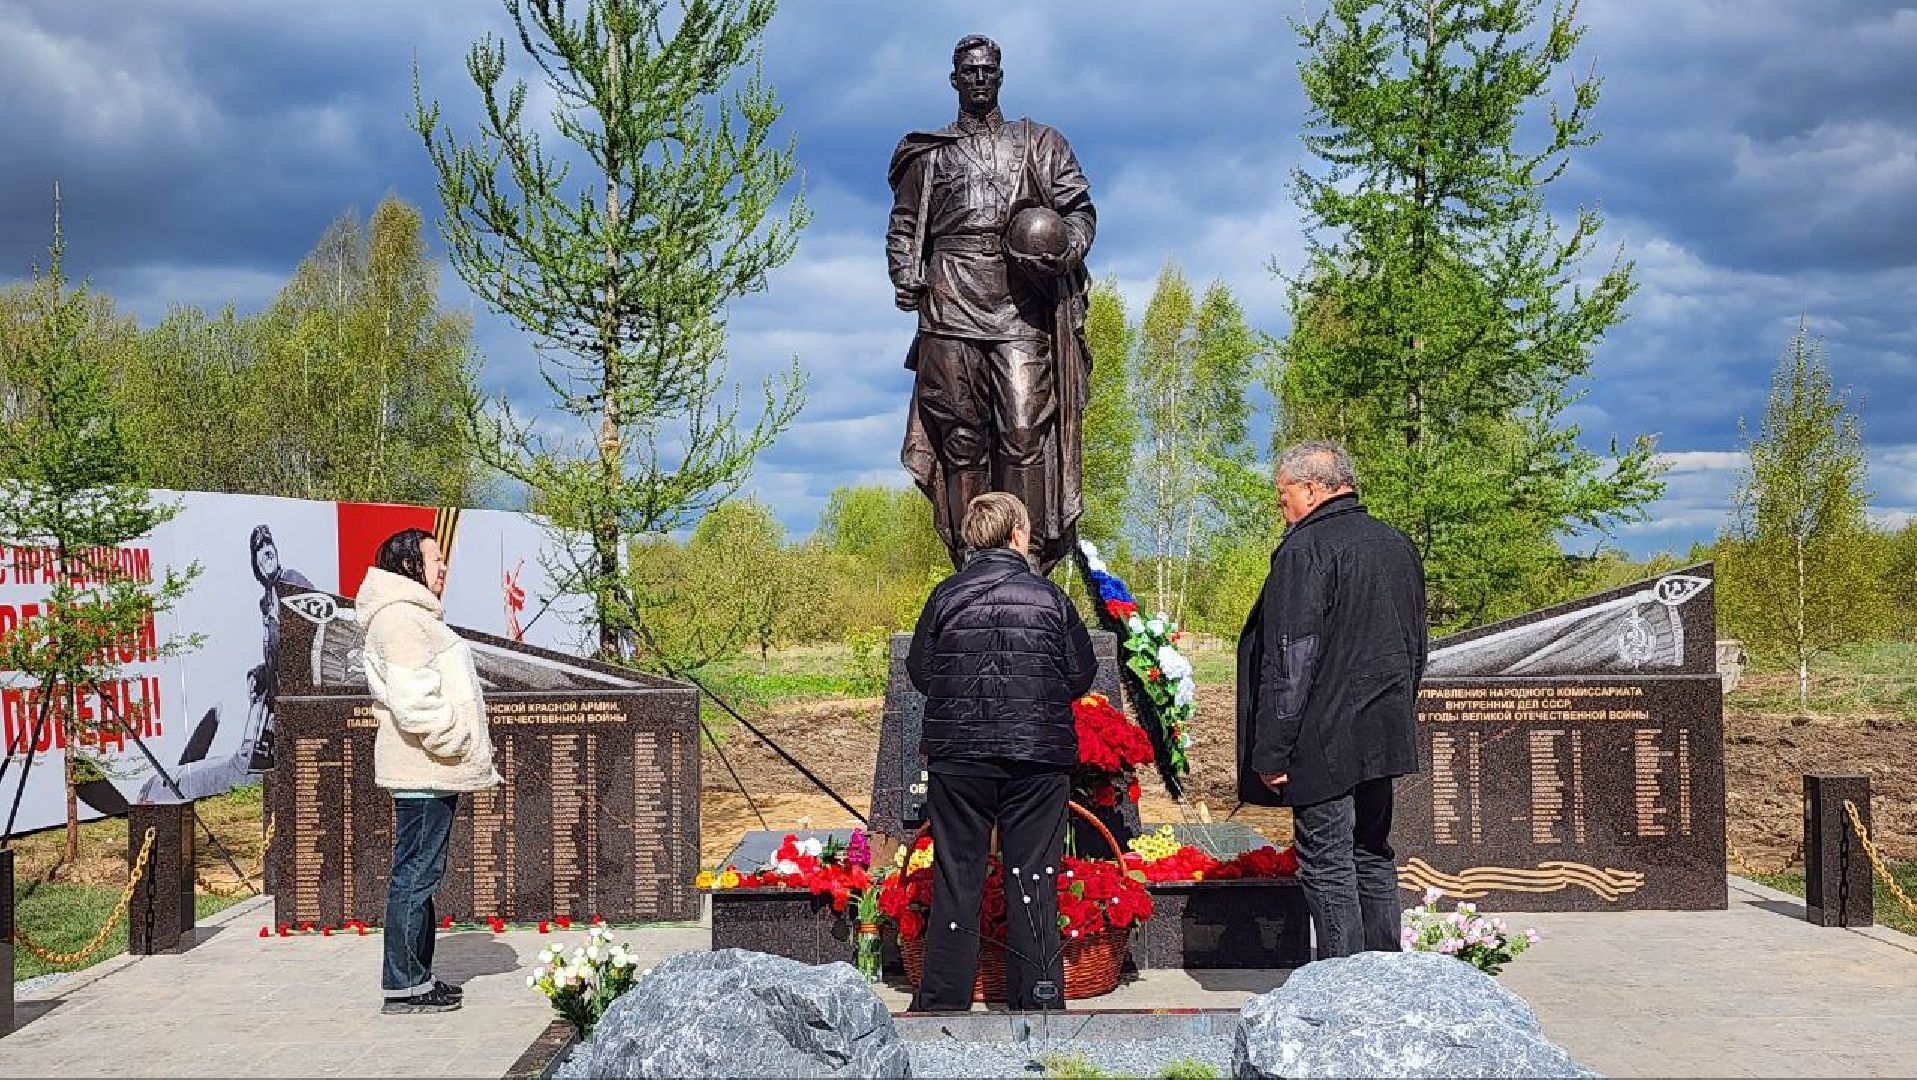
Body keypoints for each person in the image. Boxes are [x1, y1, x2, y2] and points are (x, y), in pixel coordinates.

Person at [888, 33, 1097, 575]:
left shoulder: (1041, 143)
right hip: (950, 300)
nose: (980, 79)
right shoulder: (929, 153)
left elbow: (1079, 210)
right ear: (955, 79)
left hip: (1020, 306)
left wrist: (1067, 250)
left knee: (1026, 429)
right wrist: (902, 275)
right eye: (970, 71)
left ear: (999, 77)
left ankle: (1025, 562)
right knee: (960, 438)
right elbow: (906, 226)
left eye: (989, 71)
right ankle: (973, 561)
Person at [1236, 441, 1427, 959]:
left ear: (1313, 489)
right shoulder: (1395, 543)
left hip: (1322, 736)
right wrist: (1399, 712)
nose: (1283, 508)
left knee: (1326, 860)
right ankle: (1385, 976)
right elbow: (1415, 647)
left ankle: (1343, 990)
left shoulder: (1307, 549)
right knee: (1371, 852)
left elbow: (1292, 657)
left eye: (1284, 496)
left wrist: (1272, 750)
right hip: (1383, 730)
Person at [906, 492, 1096, 1011]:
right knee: (1032, 874)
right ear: (1017, 535)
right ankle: (1035, 998)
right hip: (1035, 758)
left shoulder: (945, 595)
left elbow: (921, 673)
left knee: (957, 873)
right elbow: (1081, 673)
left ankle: (943, 1000)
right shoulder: (1050, 599)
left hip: (959, 758)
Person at [358, 527, 501, 1014]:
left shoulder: (411, 616)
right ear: (407, 565)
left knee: (421, 875)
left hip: (430, 768)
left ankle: (417, 980)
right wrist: (456, 739)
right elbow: (415, 702)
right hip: (423, 766)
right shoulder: (400, 620)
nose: (443, 567)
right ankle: (404, 986)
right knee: (414, 876)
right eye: (435, 558)